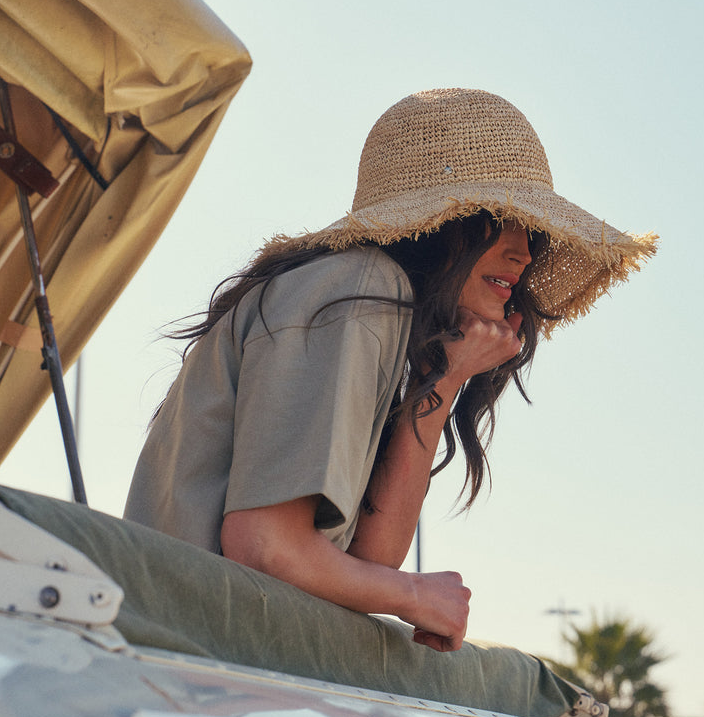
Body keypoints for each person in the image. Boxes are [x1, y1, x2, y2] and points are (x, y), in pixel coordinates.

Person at [124, 88, 657, 654]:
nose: (526, 253)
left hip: (199, 659)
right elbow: (266, 547)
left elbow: (364, 562)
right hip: (188, 659)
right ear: (440, 225)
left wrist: (447, 379)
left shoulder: (380, 310)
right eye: (505, 220)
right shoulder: (359, 287)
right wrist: (414, 596)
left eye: (536, 232)